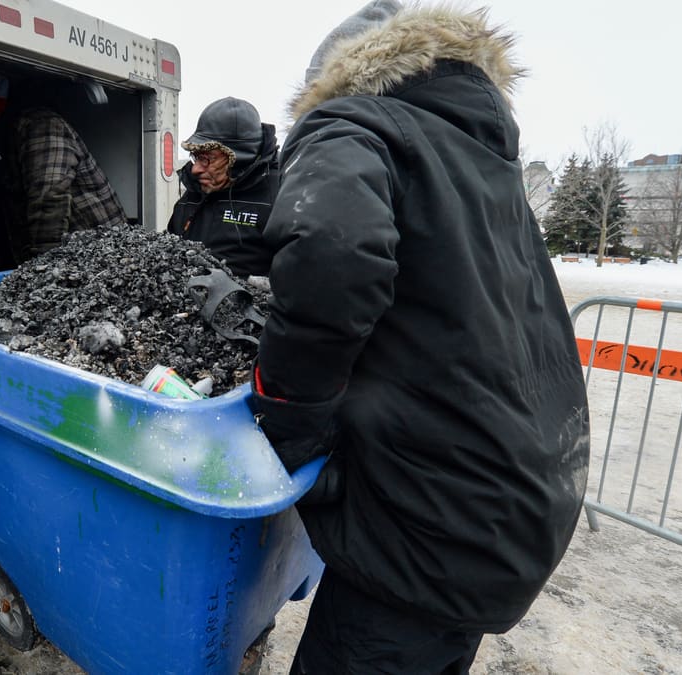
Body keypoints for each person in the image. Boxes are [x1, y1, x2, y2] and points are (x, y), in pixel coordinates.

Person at [248, 2, 591, 672]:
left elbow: (330, 243)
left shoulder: (350, 120)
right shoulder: (482, 155)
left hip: (427, 527)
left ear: (333, 77)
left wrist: (294, 423)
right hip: (512, 506)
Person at [0, 65, 127, 264]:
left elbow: (50, 195)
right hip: (76, 259)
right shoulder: (6, 135)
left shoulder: (39, 125)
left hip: (101, 258)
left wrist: (42, 270)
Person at [167, 97, 279, 277]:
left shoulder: (281, 197)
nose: (195, 169)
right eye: (196, 157)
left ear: (238, 158)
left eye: (206, 159)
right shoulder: (193, 194)